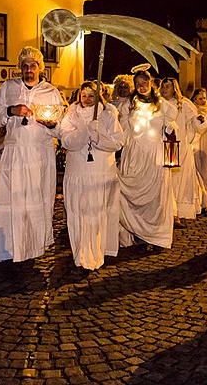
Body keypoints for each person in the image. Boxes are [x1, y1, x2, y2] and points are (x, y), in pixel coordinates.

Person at [0, 46, 64, 263]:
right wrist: (11, 110)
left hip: (40, 156)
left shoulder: (51, 92)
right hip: (15, 154)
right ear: (19, 68)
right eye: (25, 66)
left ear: (40, 68)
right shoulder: (9, 87)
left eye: (33, 66)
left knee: (37, 203)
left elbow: (62, 128)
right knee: (14, 202)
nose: (29, 69)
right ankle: (11, 248)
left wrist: (50, 124)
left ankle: (35, 247)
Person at [59, 81, 125, 271]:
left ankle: (99, 250)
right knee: (80, 213)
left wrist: (98, 137)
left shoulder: (108, 114)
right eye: (83, 95)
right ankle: (81, 251)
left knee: (97, 212)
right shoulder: (71, 114)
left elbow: (118, 142)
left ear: (98, 96)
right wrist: (84, 131)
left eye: (91, 95)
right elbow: (67, 140)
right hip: (78, 172)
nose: (87, 99)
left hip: (100, 173)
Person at [118, 69, 178, 252]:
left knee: (156, 198)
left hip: (155, 157)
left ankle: (157, 236)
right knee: (133, 195)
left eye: (145, 82)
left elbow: (172, 125)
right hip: (135, 155)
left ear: (151, 82)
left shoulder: (162, 104)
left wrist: (170, 128)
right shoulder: (129, 104)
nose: (142, 87)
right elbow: (123, 129)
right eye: (138, 84)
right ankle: (139, 233)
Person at [160, 77, 207, 224]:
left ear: (174, 88)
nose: (164, 89)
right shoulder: (158, 103)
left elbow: (195, 122)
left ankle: (177, 212)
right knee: (166, 180)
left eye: (167, 86)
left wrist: (199, 120)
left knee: (179, 181)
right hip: (164, 146)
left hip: (178, 146)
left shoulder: (184, 104)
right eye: (163, 86)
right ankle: (168, 211)